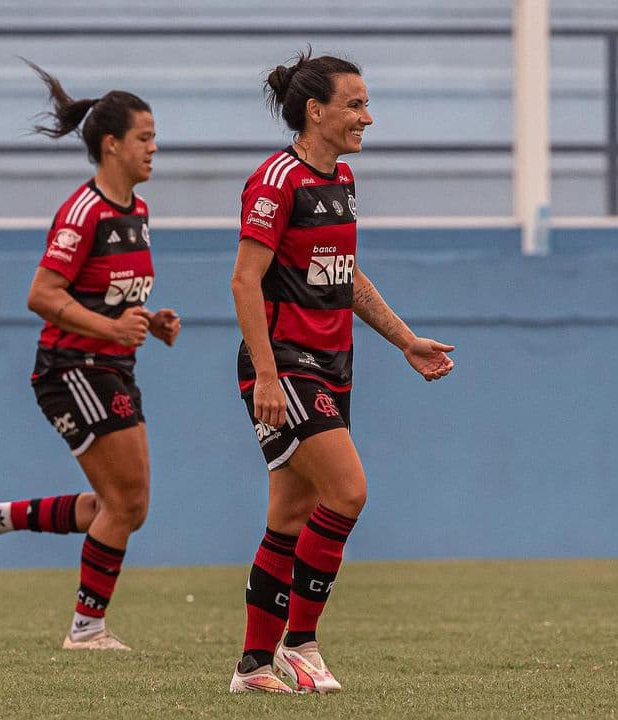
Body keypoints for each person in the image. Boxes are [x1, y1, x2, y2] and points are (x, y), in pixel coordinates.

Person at [228, 49, 455, 694]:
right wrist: (267, 377)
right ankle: (300, 643)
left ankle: (252, 666)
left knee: (290, 513)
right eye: (355, 105)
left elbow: (344, 276)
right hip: (286, 368)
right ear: (315, 110)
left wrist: (405, 340)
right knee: (349, 492)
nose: (368, 117)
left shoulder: (342, 181)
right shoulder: (277, 181)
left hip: (333, 366)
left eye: (366, 104)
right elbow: (245, 279)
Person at [0, 60, 180, 651]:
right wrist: (110, 327)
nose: (155, 148)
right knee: (127, 502)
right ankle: (86, 629)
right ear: (112, 144)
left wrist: (148, 321)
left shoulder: (137, 213)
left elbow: (106, 294)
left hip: (108, 363)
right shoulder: (84, 213)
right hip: (70, 368)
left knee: (121, 505)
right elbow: (42, 295)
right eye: (144, 138)